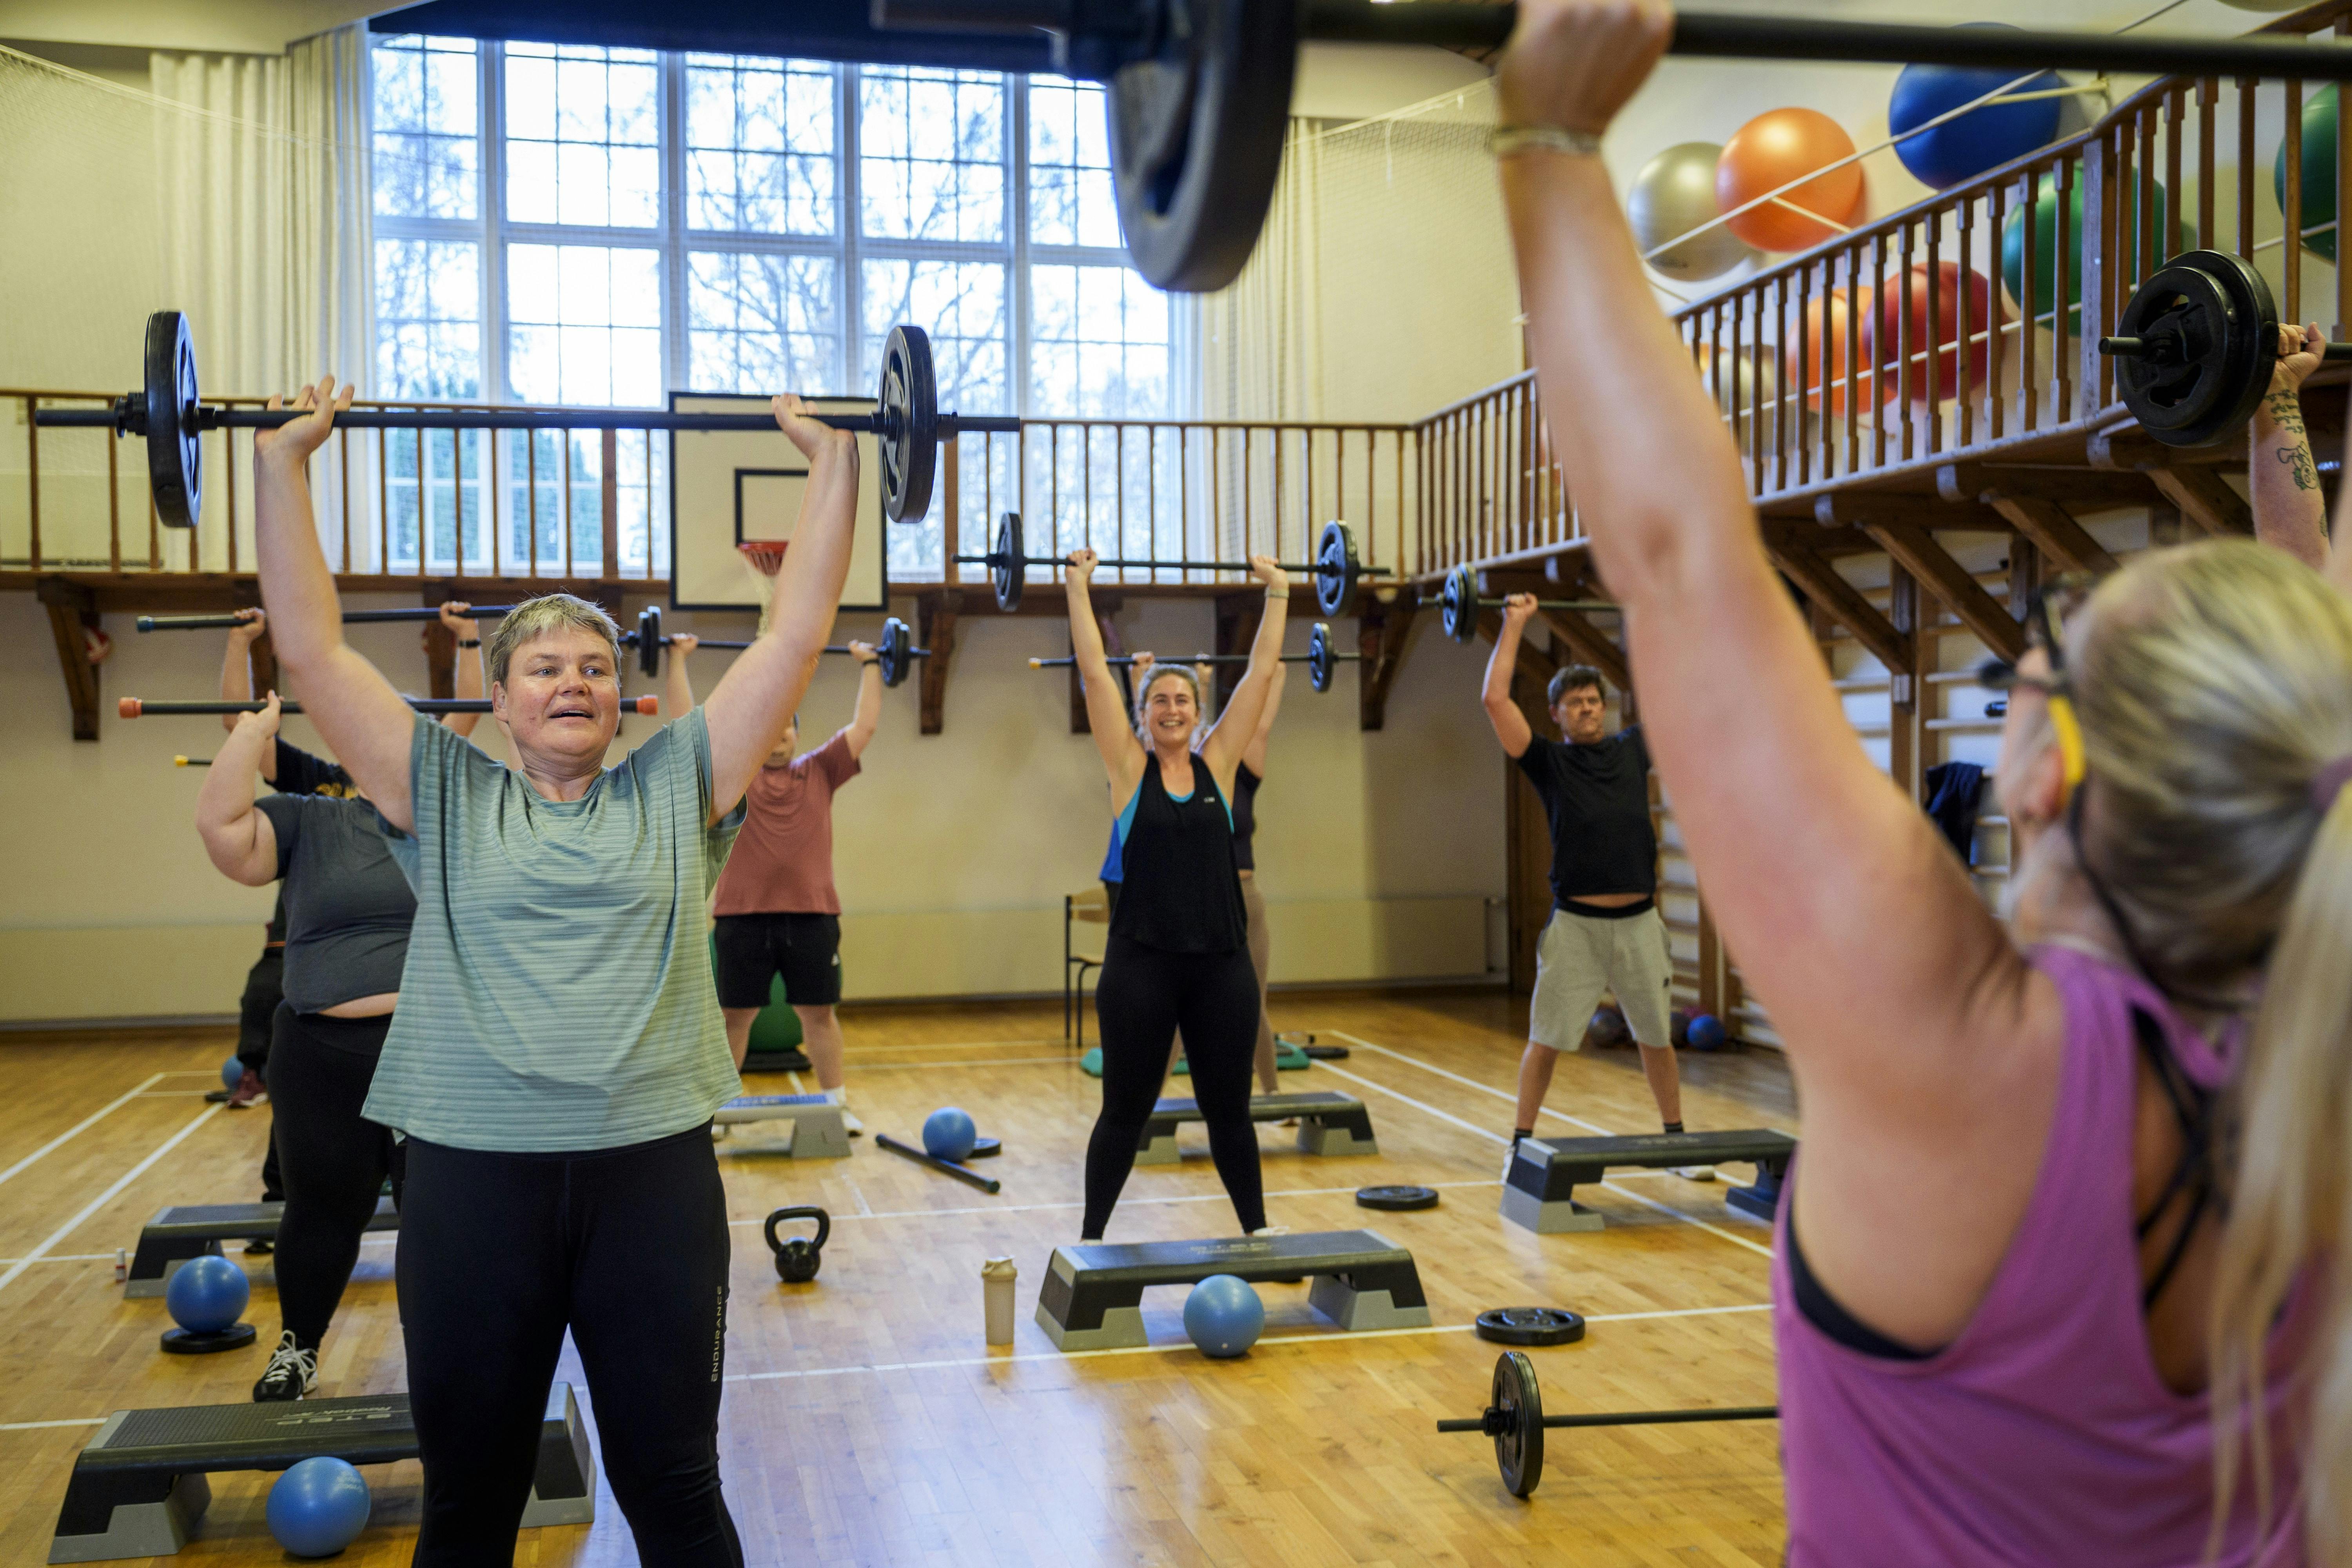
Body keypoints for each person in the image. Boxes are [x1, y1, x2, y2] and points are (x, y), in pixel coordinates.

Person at [1494, 2, 2348, 1558]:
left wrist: (1547, 136)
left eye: (2056, 643)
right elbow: (2324, 649)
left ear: (2037, 774)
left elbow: (1685, 561)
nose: (2031, 649)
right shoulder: (2323, 1069)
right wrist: (2279, 411)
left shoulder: (1966, 1063)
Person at [251, 377, 855, 1565]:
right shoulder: (443, 791)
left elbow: (793, 634)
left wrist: (830, 463)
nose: (570, 680)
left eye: (590, 664)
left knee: (676, 1488)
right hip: (474, 1186)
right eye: (541, 668)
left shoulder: (676, 788)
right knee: (470, 1503)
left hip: (652, 1183)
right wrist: (282, 467)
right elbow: (312, 648)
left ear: (623, 696)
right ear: (498, 696)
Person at [1067, 550, 1289, 1241]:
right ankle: (1092, 1238)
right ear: (1143, 713)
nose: (1171, 708)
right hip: (1142, 969)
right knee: (1124, 1115)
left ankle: (1256, 1229)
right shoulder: (1130, 772)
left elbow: (1258, 676)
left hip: (1221, 967)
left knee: (1230, 1114)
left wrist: (1278, 594)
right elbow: (1092, 675)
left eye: (1183, 700)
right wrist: (1078, 588)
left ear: (1199, 712)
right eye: (1159, 700)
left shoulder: (1219, 765)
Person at [1481, 633, 1706, 1173]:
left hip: (1638, 924)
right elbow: (1495, 699)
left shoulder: (1632, 749)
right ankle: (1520, 1144)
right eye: (1576, 703)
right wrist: (1514, 625)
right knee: (1546, 1041)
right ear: (1557, 715)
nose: (1588, 709)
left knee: (1656, 1039)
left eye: (1594, 701)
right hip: (1577, 928)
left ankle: (1675, 1143)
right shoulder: (1548, 763)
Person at [698, 591, 885, 1118]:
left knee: (818, 1015)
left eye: (787, 728)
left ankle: (837, 1106)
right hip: (741, 918)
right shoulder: (736, 776)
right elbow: (692, 723)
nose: (778, 736)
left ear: (797, 734)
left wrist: (871, 666)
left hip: (812, 916)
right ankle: (720, 1114)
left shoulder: (821, 770)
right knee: (735, 1018)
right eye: (770, 728)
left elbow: (865, 726)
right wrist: (675, 659)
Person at [1134, 651, 1287, 1097]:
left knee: (1252, 1005)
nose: (1179, 717)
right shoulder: (1168, 772)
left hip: (1243, 899)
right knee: (1177, 1011)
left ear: (1203, 720)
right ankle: (1149, 1106)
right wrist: (1139, 677)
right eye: (1168, 706)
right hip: (1191, 901)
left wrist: (1274, 672)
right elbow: (1142, 732)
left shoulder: (1241, 769)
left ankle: (1275, 1096)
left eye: (1189, 707)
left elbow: (1258, 715)